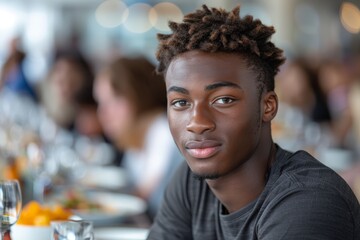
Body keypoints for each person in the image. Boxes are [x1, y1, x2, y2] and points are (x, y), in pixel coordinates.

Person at [147, 5, 360, 239]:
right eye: (180, 103)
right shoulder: (192, 184)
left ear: (267, 106)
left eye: (223, 100)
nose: (196, 123)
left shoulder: (310, 202)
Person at [93, 56, 183, 218]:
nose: (103, 113)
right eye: (101, 102)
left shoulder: (165, 135)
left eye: (114, 100)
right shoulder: (136, 139)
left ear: (140, 96)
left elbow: (144, 200)